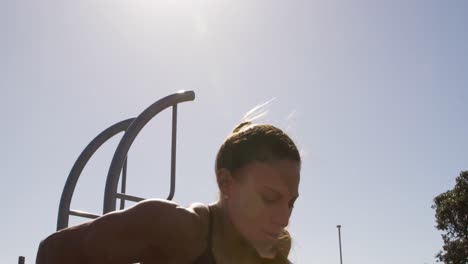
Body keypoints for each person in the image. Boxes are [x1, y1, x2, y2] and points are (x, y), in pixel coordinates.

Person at [36, 121, 301, 264]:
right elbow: (54, 251)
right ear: (226, 183)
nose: (284, 218)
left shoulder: (271, 259)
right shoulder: (178, 228)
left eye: (291, 203)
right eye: (269, 198)